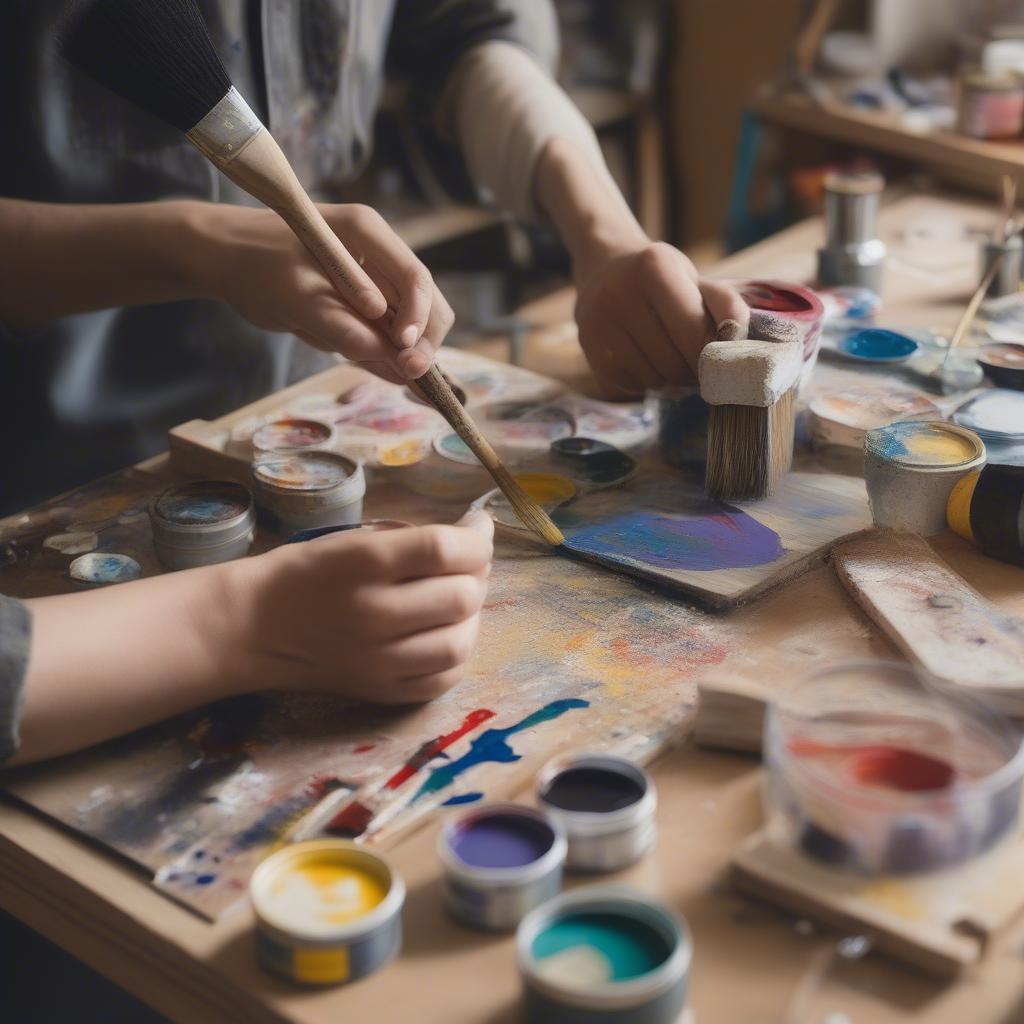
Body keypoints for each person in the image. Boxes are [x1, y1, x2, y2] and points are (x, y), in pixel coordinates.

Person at [1, 0, 748, 516]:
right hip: (48, 473)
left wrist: (601, 231)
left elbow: (460, 34)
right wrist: (198, 245)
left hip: (299, 422)